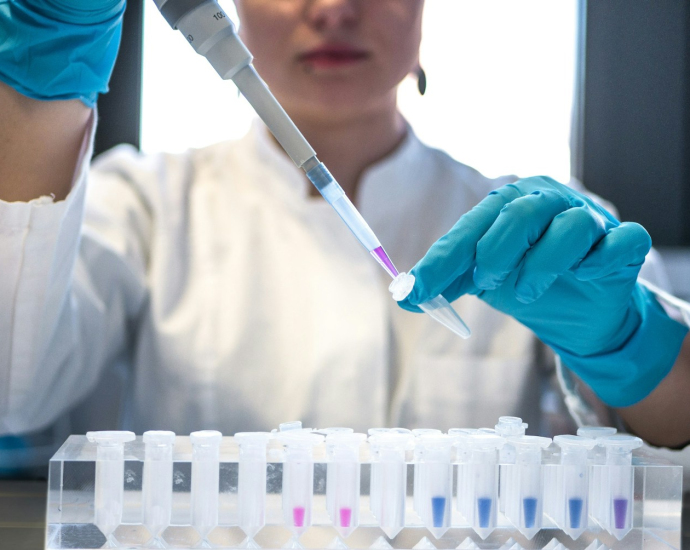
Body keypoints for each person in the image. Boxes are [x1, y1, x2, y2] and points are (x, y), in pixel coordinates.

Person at [0, 0, 688, 471]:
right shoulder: (142, 207)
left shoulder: (537, 233)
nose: (332, 7)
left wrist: (631, 344)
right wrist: (39, 92)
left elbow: (672, 453)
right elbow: (11, 394)